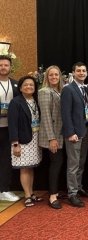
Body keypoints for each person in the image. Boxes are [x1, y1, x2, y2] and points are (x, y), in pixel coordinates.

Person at [61, 62, 88, 208]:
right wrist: (70, 133)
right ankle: (72, 194)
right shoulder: (68, 89)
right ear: (73, 73)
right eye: (78, 71)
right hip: (74, 133)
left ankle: (79, 187)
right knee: (73, 165)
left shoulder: (86, 88)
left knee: (81, 163)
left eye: (84, 71)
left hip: (85, 131)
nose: (81, 73)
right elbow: (65, 113)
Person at [8, 76, 43, 207]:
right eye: (26, 85)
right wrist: (15, 144)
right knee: (24, 169)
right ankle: (27, 195)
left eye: (31, 85)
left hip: (35, 138)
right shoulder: (16, 102)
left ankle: (32, 193)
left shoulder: (36, 100)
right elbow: (13, 124)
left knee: (31, 167)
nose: (29, 87)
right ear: (21, 87)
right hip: (22, 141)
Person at [38, 65, 65, 209]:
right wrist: (51, 138)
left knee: (60, 163)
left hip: (61, 133)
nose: (54, 77)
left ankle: (56, 190)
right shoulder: (44, 91)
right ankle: (52, 195)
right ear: (46, 77)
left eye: (56, 75)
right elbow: (46, 117)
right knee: (55, 164)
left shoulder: (60, 91)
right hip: (53, 135)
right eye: (51, 75)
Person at [0, 55, 20, 202]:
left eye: (6, 65)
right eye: (0, 65)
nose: (3, 67)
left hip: (9, 128)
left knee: (6, 160)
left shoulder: (15, 84)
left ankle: (4, 189)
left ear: (10, 67)